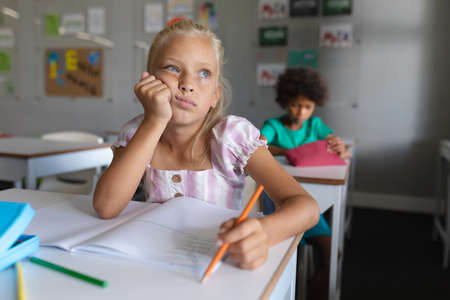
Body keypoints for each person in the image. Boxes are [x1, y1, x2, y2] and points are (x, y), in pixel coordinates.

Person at [93, 19, 319, 270]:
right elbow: (106, 206)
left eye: (204, 73)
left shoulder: (232, 137)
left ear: (215, 95)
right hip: (152, 263)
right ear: (149, 81)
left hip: (219, 265)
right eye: (172, 68)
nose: (187, 84)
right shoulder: (138, 134)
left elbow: (306, 208)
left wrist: (264, 234)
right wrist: (155, 120)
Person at [260, 67, 351, 299]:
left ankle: (314, 291)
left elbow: (335, 145)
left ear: (315, 106)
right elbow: (258, 144)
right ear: (285, 101)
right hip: (277, 205)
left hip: (314, 206)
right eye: (296, 104)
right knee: (287, 256)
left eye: (308, 106)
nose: (301, 112)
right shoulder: (273, 125)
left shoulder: (316, 126)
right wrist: (290, 151)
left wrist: (339, 147)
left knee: (332, 252)